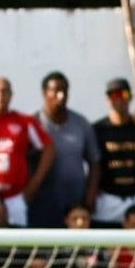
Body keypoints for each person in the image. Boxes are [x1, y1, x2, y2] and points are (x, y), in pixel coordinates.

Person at [28, 71, 100, 229]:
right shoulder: (33, 124)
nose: (60, 96)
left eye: (64, 91)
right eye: (55, 91)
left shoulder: (81, 123)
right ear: (45, 93)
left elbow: (95, 162)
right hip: (42, 202)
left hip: (75, 201)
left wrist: (91, 193)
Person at [0, 76, 55, 227]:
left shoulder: (24, 121)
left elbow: (49, 148)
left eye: (4, 91)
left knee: (16, 245)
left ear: (11, 94)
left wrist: (35, 183)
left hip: (14, 197)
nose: (0, 96)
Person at [92, 77, 135, 228]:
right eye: (114, 96)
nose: (120, 99)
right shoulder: (98, 129)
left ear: (131, 97)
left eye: (124, 95)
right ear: (108, 100)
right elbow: (94, 164)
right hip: (109, 198)